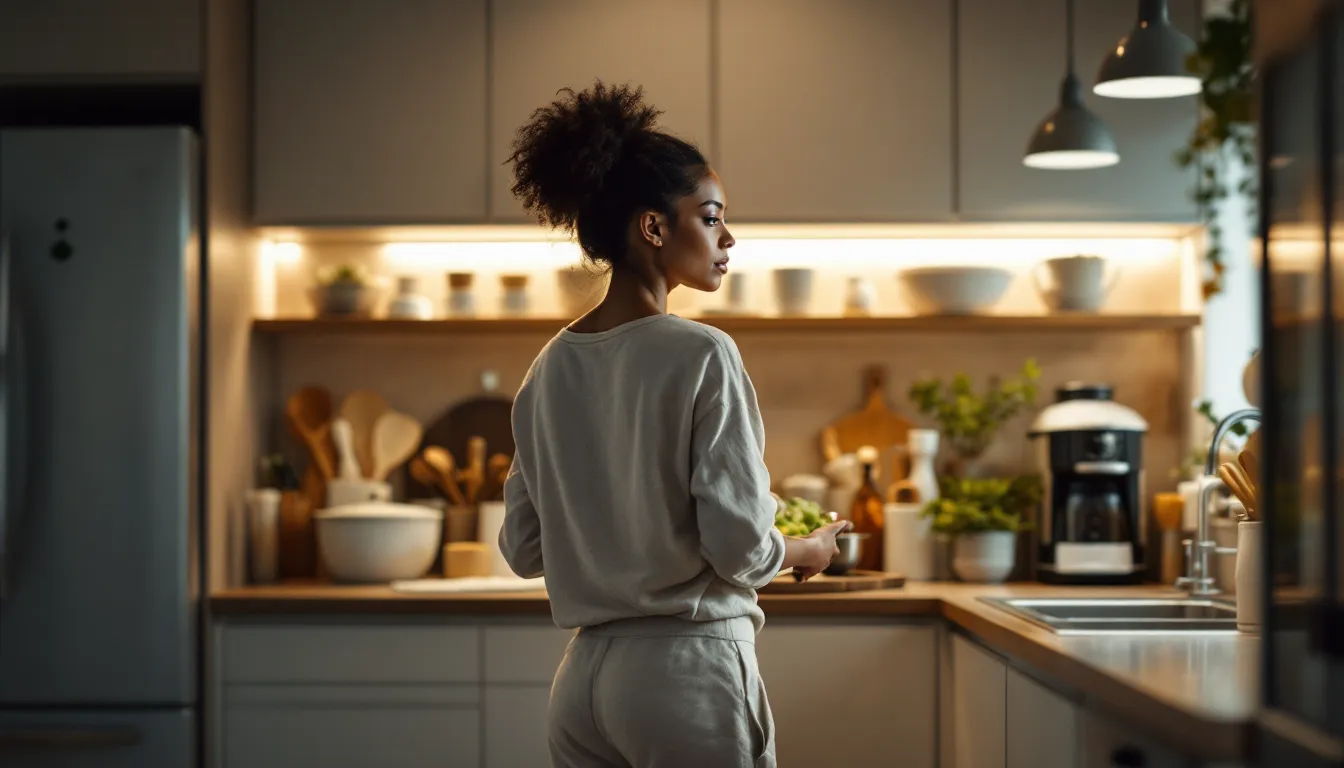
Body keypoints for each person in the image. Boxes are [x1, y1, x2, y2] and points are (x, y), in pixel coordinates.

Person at [498, 81, 850, 768]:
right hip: (686, 673)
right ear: (653, 228)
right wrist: (804, 550)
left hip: (582, 684)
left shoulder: (547, 369)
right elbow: (740, 547)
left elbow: (522, 547)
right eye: (711, 218)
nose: (728, 238)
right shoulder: (702, 352)